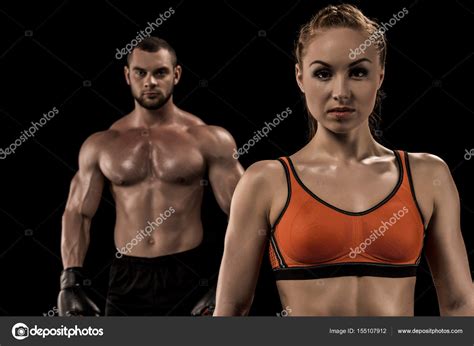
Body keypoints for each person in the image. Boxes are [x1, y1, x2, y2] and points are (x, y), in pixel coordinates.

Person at [214, 4, 474, 316]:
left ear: (380, 75)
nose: (341, 91)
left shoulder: (427, 174)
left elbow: (459, 304)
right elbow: (231, 309)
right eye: (323, 73)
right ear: (300, 77)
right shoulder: (265, 181)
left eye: (358, 72)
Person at [58, 37, 244, 316]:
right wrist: (70, 281)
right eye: (140, 73)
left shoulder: (207, 138)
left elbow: (245, 212)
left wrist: (227, 282)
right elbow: (77, 213)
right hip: (127, 277)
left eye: (160, 72)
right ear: (127, 75)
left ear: (176, 75)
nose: (150, 82)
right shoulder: (102, 144)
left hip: (190, 272)